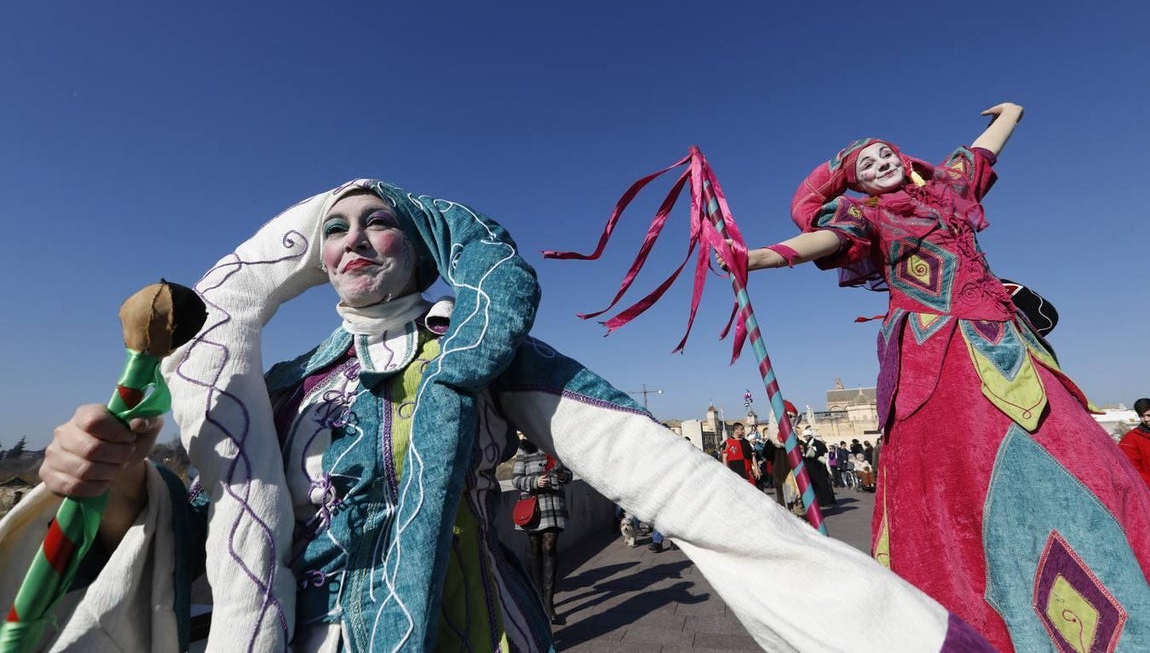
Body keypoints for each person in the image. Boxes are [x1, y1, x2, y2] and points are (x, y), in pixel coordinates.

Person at [0, 179, 996, 653]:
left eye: (377, 218)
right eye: (333, 226)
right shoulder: (284, 386)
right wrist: (114, 476)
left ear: (421, 245)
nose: (354, 236)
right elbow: (211, 517)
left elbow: (662, 472)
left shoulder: (483, 353)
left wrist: (893, 628)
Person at [733, 102, 1150, 650]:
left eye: (885, 154)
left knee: (1080, 454)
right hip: (937, 353)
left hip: (1008, 343)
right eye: (863, 167)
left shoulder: (949, 192)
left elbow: (982, 152)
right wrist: (762, 258)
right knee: (959, 470)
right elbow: (824, 241)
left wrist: (1012, 115)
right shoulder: (867, 217)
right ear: (855, 185)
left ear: (902, 159)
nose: (878, 163)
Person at [512, 434, 572, 624]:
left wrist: (562, 475)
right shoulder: (525, 448)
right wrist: (534, 482)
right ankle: (537, 597)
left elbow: (569, 475)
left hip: (553, 506)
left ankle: (548, 602)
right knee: (534, 549)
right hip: (533, 507)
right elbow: (516, 479)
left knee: (549, 548)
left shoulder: (557, 446)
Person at [1119, 398, 1150, 487]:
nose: (1146, 419)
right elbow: (1131, 469)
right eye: (1141, 416)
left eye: (1149, 415)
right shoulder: (1130, 439)